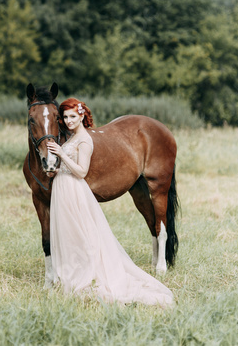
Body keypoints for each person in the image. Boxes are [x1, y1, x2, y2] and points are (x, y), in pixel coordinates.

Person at [46, 98, 174, 307]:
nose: (68, 121)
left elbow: (81, 171)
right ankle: (68, 273)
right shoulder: (69, 139)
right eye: (65, 117)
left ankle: (92, 274)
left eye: (73, 117)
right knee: (69, 232)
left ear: (81, 117)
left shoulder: (85, 140)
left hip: (74, 187)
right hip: (64, 189)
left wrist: (61, 154)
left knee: (84, 231)